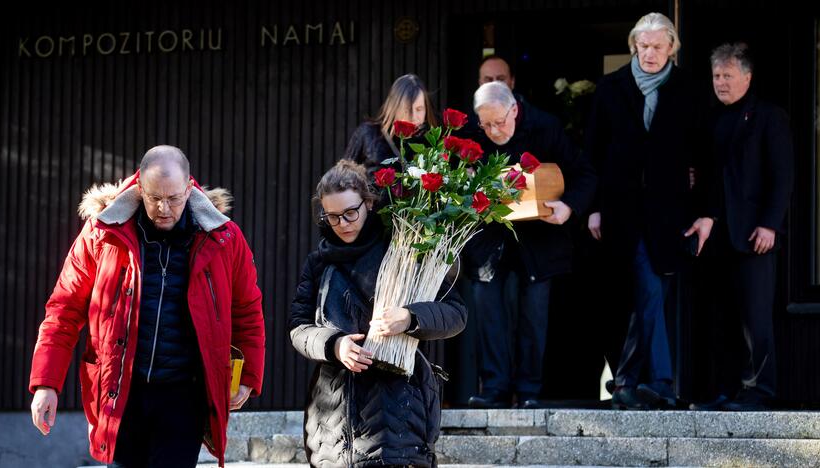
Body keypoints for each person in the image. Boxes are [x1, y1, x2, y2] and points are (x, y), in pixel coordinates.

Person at [29, 145, 265, 467]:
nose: (164, 209)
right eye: (154, 198)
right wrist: (46, 382)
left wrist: (249, 374)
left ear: (189, 188)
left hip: (185, 396)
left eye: (174, 198)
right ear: (140, 187)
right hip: (120, 392)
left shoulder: (223, 239)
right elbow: (64, 309)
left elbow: (247, 309)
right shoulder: (102, 233)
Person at [289, 160, 466, 467]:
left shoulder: (405, 250)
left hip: (399, 412)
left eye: (350, 213)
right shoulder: (318, 262)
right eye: (332, 217)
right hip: (331, 414)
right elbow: (298, 328)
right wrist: (334, 345)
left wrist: (410, 318)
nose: (343, 223)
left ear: (368, 203)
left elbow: (456, 314)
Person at [584, 12, 716, 410]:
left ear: (672, 48)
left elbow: (707, 156)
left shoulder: (690, 89)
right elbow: (592, 152)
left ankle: (627, 380)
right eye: (644, 46)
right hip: (621, 211)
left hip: (670, 212)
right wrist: (592, 209)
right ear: (634, 47)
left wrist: (707, 213)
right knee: (648, 287)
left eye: (659, 46)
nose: (651, 54)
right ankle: (659, 380)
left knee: (652, 290)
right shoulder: (610, 89)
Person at [464, 80, 597, 409]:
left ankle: (529, 391)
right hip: (490, 237)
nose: (494, 131)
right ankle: (493, 388)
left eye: (501, 122)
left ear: (514, 109)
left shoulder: (544, 126)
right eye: (487, 124)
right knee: (487, 311)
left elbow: (584, 173)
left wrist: (568, 208)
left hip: (539, 238)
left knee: (533, 316)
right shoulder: (473, 131)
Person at [690, 43, 794, 411]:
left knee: (755, 318)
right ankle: (724, 389)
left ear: (747, 77)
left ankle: (759, 390)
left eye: (728, 76)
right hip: (717, 235)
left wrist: (770, 225)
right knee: (721, 317)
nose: (720, 82)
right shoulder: (711, 118)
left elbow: (782, 178)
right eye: (716, 76)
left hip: (755, 235)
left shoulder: (769, 117)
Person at [344, 73, 438, 181]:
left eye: (419, 109)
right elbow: (340, 177)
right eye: (407, 109)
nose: (413, 117)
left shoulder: (430, 143)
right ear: (395, 107)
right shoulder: (368, 133)